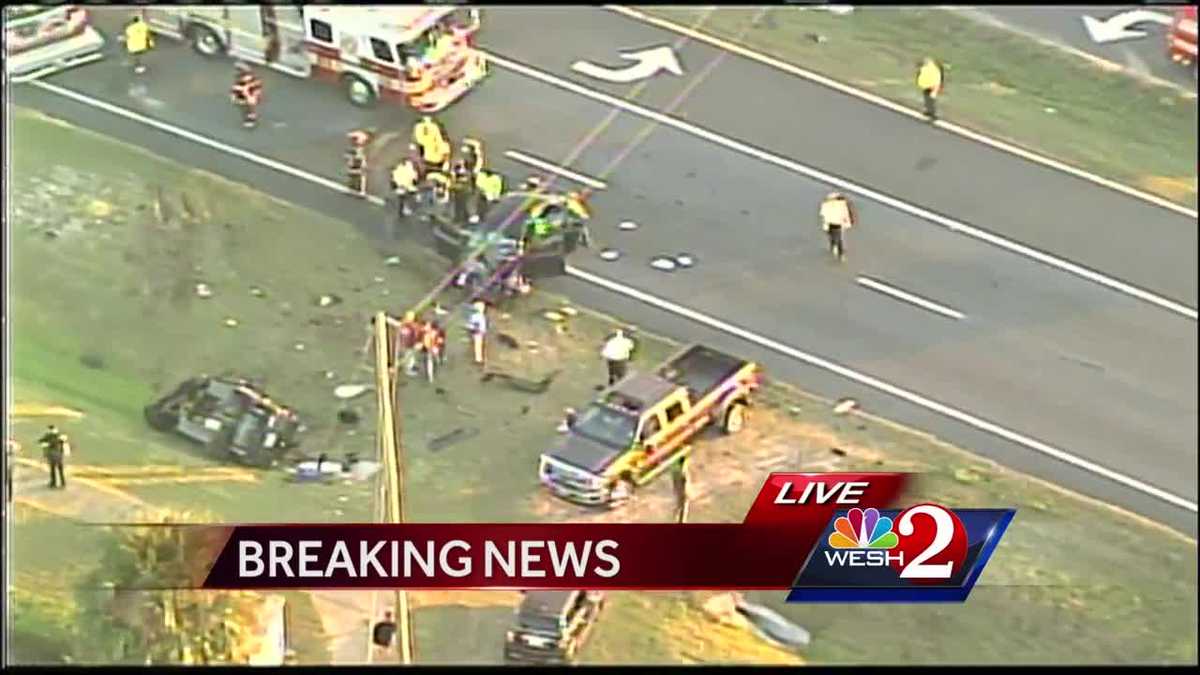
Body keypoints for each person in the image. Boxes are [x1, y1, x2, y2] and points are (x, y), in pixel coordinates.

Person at [819, 191, 856, 261]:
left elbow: (823, 214)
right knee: (835, 237)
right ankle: (836, 248)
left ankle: (839, 251)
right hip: (834, 223)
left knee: (837, 238)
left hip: (835, 224)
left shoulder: (834, 205)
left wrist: (847, 222)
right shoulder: (830, 205)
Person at [230, 63, 264, 129]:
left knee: (246, 104)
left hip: (248, 93)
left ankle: (250, 117)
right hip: (246, 93)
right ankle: (249, 116)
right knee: (244, 104)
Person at [38, 425, 69, 489]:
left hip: (52, 456)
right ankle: (63, 483)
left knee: (53, 470)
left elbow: (40, 441)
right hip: (59, 456)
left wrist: (45, 445)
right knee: (60, 470)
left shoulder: (49, 436)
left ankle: (53, 483)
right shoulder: (60, 436)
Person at [916, 57, 945, 121]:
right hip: (929, 83)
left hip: (932, 83)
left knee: (930, 97)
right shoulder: (927, 68)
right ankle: (929, 111)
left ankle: (932, 112)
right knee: (929, 96)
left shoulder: (932, 68)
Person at [396, 311, 422, 376]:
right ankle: (407, 369)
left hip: (406, 344)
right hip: (405, 344)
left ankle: (408, 367)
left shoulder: (410, 325)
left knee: (409, 356)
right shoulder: (406, 326)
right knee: (408, 356)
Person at [345, 130, 370, 197]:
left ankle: (361, 191)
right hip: (356, 160)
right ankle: (353, 188)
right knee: (354, 174)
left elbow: (360, 157)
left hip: (358, 161)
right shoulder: (357, 147)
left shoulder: (360, 148)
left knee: (360, 175)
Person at [465, 300, 488, 366]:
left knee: (478, 344)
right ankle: (479, 359)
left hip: (478, 331)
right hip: (478, 331)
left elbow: (476, 324)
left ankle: (479, 359)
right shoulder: (477, 315)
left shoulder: (477, 315)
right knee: (478, 344)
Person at [672, 453, 692, 524]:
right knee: (684, 508)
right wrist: (688, 492)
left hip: (678, 491)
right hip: (684, 491)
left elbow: (674, 481)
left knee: (678, 506)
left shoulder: (675, 471)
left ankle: (676, 520)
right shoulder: (684, 471)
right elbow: (686, 482)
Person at [6, 439, 19, 503]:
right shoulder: (13, 444)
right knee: (9, 481)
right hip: (10, 463)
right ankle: (10, 497)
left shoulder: (10, 444)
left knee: (9, 481)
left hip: (9, 464)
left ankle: (9, 497)